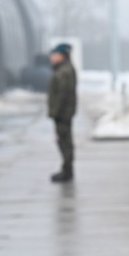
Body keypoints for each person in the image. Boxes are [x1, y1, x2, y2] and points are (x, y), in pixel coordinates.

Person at [47, 43, 77, 183]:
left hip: (63, 113)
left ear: (62, 55)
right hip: (63, 113)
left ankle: (67, 171)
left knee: (65, 142)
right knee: (64, 141)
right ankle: (67, 170)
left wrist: (55, 112)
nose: (52, 57)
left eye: (55, 55)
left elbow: (62, 94)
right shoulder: (62, 69)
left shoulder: (64, 71)